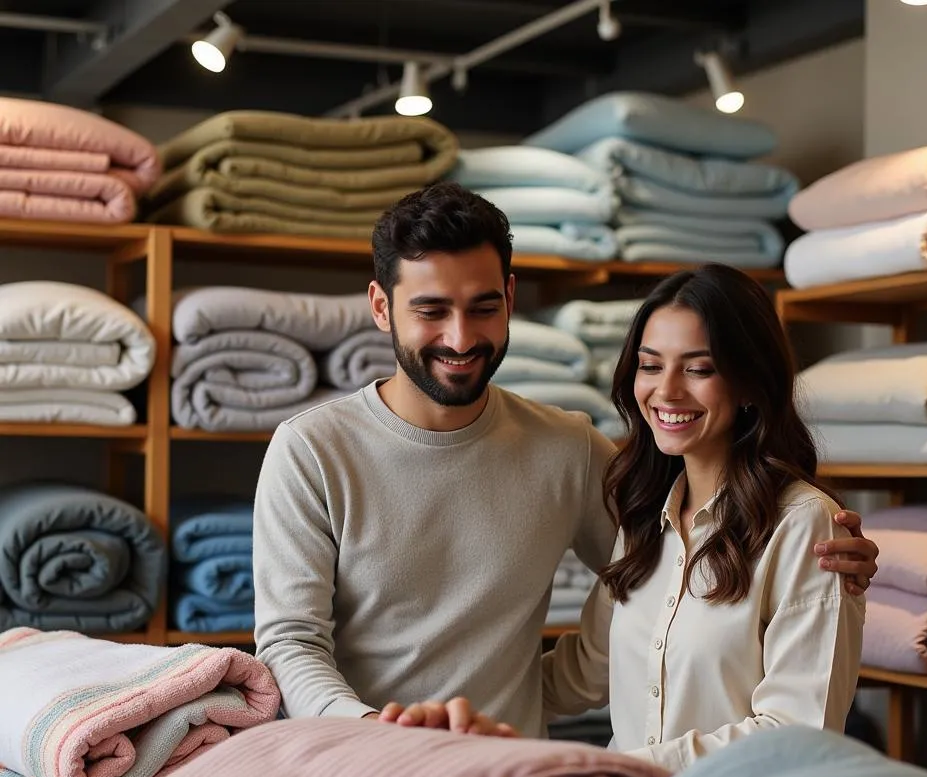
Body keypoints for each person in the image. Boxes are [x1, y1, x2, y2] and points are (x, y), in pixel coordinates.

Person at [253, 182, 876, 739]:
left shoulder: (569, 449)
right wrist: (368, 731)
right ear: (382, 306)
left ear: (511, 299)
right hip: (363, 768)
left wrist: (831, 552)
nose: (461, 337)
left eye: (482, 307)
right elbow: (291, 641)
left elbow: (690, 551)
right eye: (431, 310)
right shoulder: (311, 450)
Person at [538, 264, 866, 771]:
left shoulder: (804, 526)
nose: (667, 391)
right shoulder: (644, 516)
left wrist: (629, 771)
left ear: (751, 383)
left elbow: (796, 733)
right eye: (650, 365)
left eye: (698, 369)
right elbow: (585, 670)